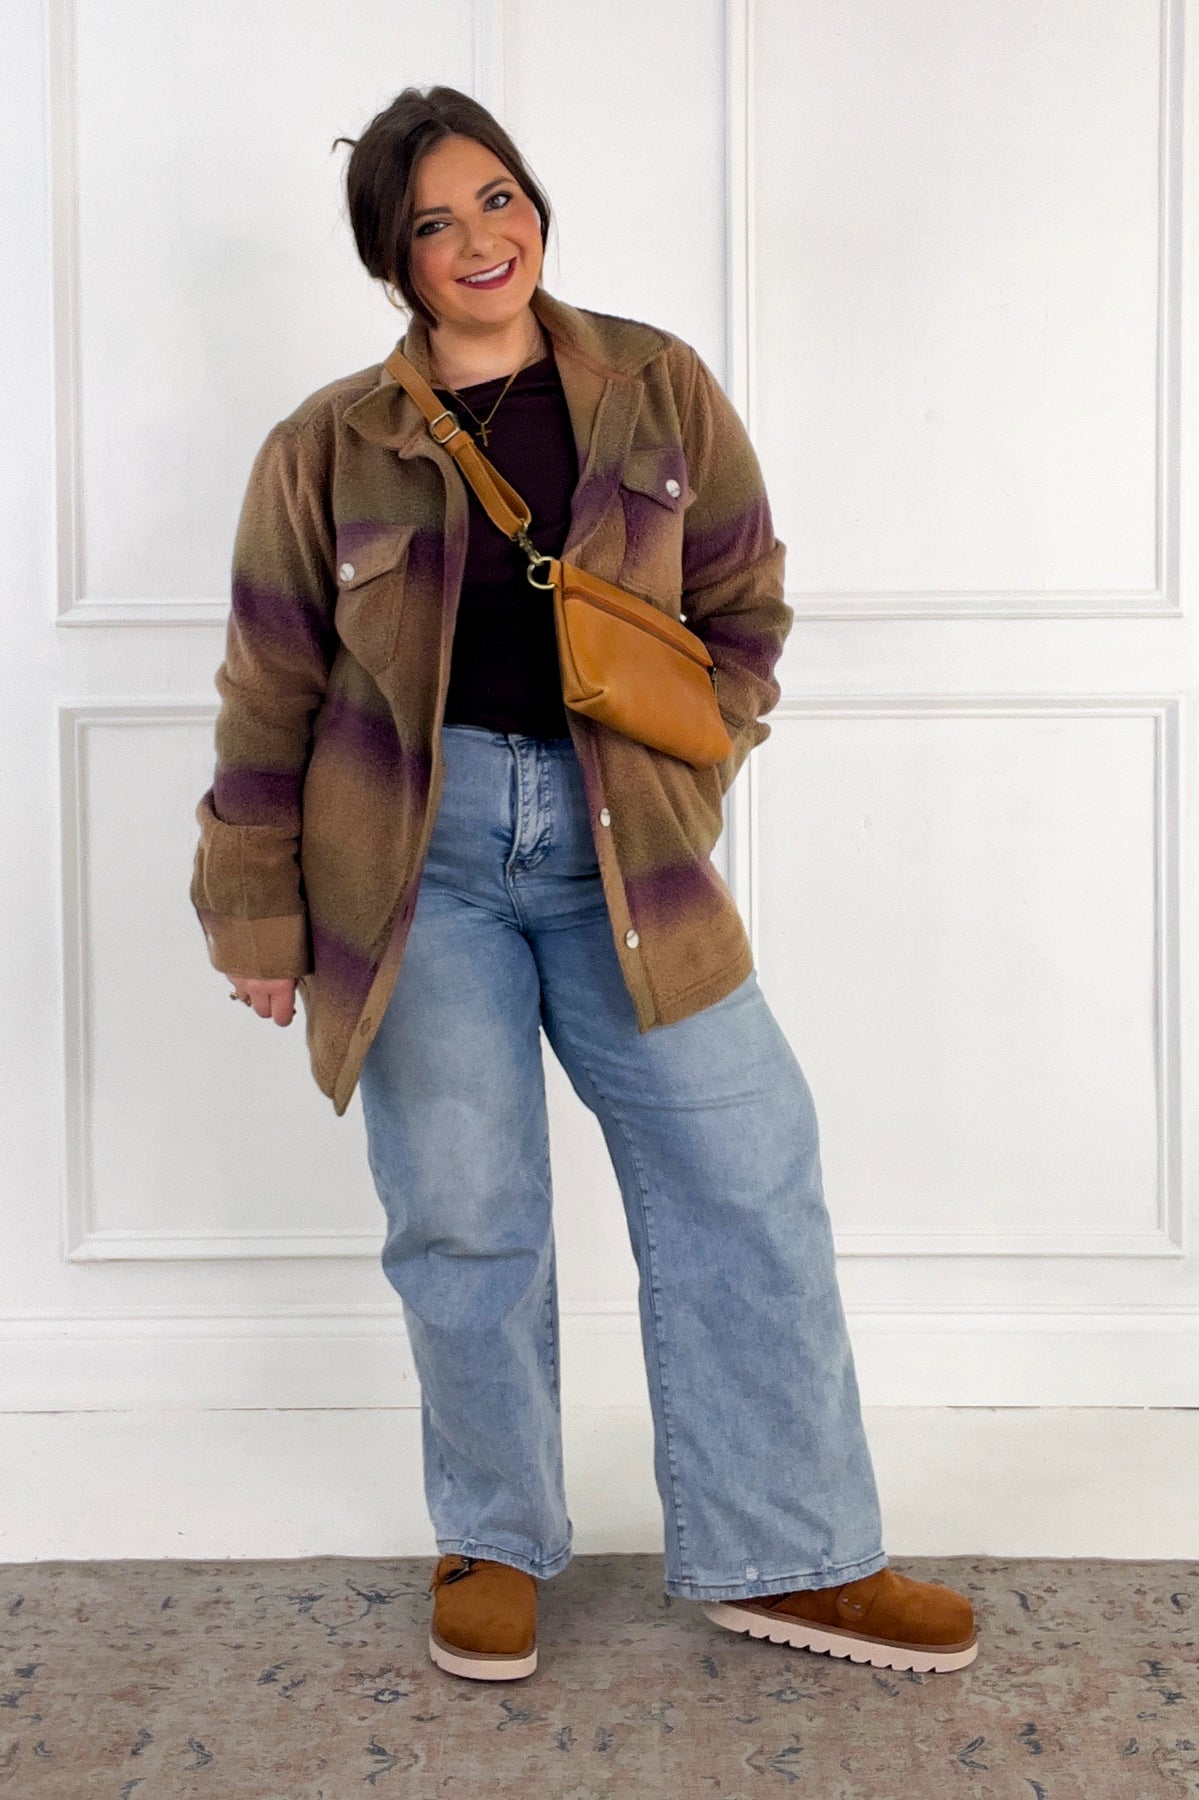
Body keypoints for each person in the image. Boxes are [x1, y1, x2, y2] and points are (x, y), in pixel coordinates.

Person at [191, 84, 978, 1682]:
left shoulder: (654, 385)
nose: (482, 238)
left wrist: (696, 760)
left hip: (631, 850)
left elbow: (744, 599)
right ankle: (494, 1536)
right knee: (465, 1211)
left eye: (499, 197)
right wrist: (256, 913)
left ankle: (797, 1555)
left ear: (534, 204)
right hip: (416, 867)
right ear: (395, 262)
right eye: (435, 222)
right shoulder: (325, 446)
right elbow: (269, 689)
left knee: (749, 1173)